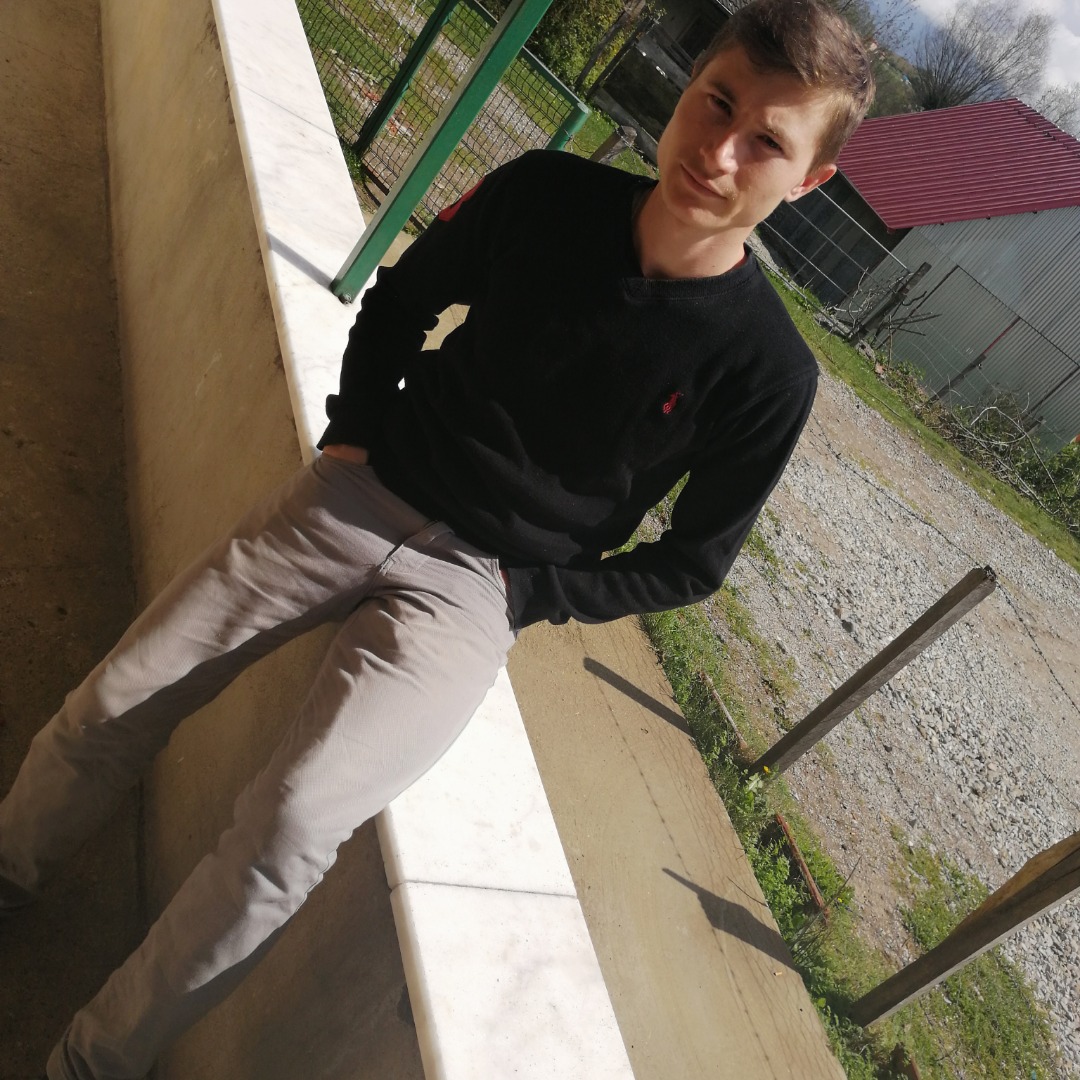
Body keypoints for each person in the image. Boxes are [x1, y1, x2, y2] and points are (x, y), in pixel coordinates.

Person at [0, 0, 873, 1075]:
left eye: (767, 143)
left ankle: (90, 1061)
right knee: (122, 694)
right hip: (362, 493)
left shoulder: (769, 372)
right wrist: (356, 432)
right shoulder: (545, 193)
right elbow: (403, 297)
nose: (720, 150)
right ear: (688, 87)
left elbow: (693, 563)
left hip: (473, 593)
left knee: (289, 830)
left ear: (810, 180)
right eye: (717, 102)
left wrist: (530, 594)